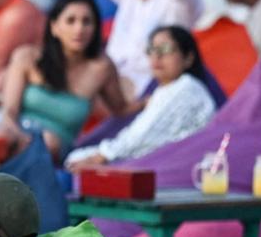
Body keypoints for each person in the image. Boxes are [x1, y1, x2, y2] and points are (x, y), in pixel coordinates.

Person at [0, 0, 127, 162]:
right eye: (71, 21)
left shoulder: (102, 68)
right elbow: (9, 111)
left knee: (48, 142)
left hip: (56, 146)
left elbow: (121, 109)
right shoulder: (27, 57)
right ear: (54, 27)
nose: (79, 29)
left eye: (87, 22)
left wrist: (155, 99)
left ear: (95, 28)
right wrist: (15, 133)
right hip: (14, 132)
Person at [65, 25, 215, 170]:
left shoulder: (186, 88)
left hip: (178, 170)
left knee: (77, 162)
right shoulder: (164, 90)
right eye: (152, 50)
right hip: (155, 162)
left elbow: (143, 134)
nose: (157, 56)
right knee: (75, 158)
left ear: (188, 58)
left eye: (166, 49)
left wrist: (101, 156)